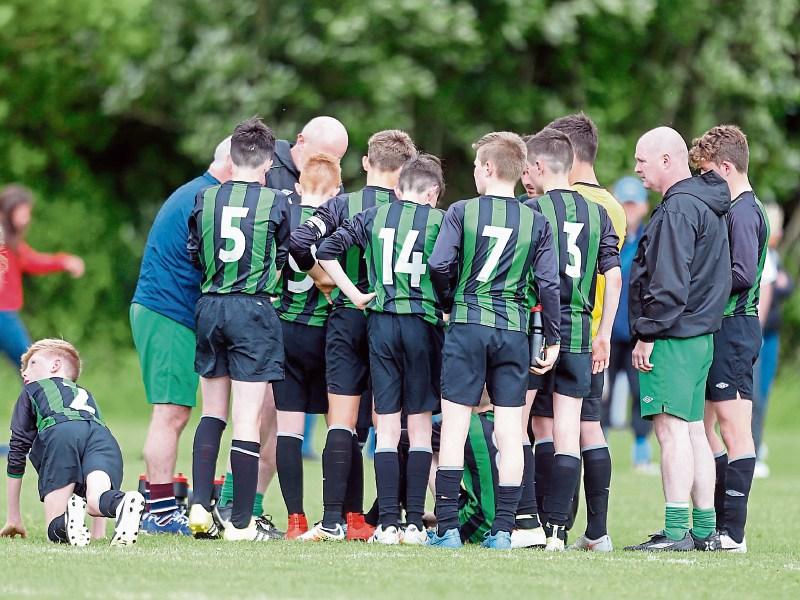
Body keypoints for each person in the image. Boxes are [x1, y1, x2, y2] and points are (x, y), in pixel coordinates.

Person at [427, 131, 561, 550]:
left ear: (487, 168)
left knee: (454, 425)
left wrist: (450, 301)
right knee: (509, 430)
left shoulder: (462, 211)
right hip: (512, 330)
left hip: (468, 324)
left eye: (474, 168)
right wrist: (552, 337)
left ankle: (447, 529)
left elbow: (439, 263)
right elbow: (549, 283)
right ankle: (504, 531)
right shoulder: (536, 220)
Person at [290, 130, 418, 542]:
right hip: (393, 320)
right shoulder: (409, 208)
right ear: (407, 170)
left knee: (340, 422)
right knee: (390, 422)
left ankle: (331, 521)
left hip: (346, 317)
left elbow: (299, 243)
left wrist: (329, 283)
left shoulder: (342, 204)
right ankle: (389, 519)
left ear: (365, 163)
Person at [317, 154, 446, 545]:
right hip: (422, 323)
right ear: (432, 193)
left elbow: (324, 251)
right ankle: (412, 524)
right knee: (420, 425)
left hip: (381, 321)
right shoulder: (439, 221)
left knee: (386, 425)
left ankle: (387, 522)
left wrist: (354, 293)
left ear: (399, 186)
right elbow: (447, 268)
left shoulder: (374, 215)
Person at [625, 126, 731, 552]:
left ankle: (674, 531)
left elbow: (668, 283)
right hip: (701, 335)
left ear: (667, 160)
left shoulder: (678, 209)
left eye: (642, 160)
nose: (636, 168)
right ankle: (703, 530)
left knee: (670, 432)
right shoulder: (707, 204)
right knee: (693, 432)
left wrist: (647, 333)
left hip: (672, 335)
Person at [186, 117, 291, 542]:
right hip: (253, 308)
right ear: (268, 162)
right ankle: (241, 523)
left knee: (212, 411)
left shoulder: (204, 197)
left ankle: (197, 504)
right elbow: (283, 255)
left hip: (210, 305)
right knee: (246, 419)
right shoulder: (277, 202)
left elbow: (195, 254)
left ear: (230, 158)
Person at [524, 128, 621, 551]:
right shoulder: (597, 213)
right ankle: (559, 533)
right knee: (568, 433)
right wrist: (604, 334)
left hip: (537, 331)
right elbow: (614, 277)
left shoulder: (530, 210)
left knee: (515, 428)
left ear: (541, 167)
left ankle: (524, 522)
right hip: (581, 333)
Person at [131, 137, 232, 536]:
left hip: (172, 312)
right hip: (168, 311)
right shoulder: (204, 197)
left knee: (177, 412)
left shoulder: (200, 191)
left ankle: (164, 502)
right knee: (171, 412)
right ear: (230, 164)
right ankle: (158, 509)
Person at [691, 125, 769, 553]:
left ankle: (733, 533)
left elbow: (740, 273)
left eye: (707, 174)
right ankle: (714, 523)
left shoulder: (742, 211)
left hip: (735, 329)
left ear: (726, 167)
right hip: (718, 329)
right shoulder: (736, 207)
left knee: (734, 429)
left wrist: (694, 284)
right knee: (703, 427)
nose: (705, 183)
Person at [1, 339, 144, 546]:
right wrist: (98, 533)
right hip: (103, 437)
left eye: (32, 364)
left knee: (54, 529)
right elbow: (90, 431)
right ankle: (122, 502)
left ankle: (68, 519)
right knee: (97, 500)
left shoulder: (32, 390)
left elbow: (17, 449)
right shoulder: (86, 394)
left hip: (61, 433)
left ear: (55, 365)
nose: (24, 372)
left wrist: (14, 518)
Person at [271, 153, 342, 539]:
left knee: (290, 430)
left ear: (298, 187)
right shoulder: (337, 219)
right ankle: (341, 516)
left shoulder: (283, 217)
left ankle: (295, 518)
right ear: (337, 191)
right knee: (339, 425)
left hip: (286, 331)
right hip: (327, 334)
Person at [0, 185, 84, 369]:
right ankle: (39, 398)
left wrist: (63, 261)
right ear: (9, 209)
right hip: (2, 313)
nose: (27, 217)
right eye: (23, 211)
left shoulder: (11, 241)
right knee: (32, 364)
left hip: (6, 312)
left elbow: (31, 261)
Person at [607, 176, 654, 470]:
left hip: (638, 332)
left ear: (644, 207)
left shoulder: (651, 239)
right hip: (607, 331)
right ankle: (598, 443)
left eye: (633, 204)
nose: (628, 210)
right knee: (600, 391)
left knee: (641, 391)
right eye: (624, 203)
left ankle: (641, 446)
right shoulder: (607, 238)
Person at [753, 204, 793, 477]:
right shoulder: (759, 252)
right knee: (752, 393)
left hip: (770, 335)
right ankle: (750, 448)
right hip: (756, 333)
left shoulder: (774, 257)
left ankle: (756, 441)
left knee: (761, 392)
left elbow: (787, 286)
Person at [268, 116, 348, 201]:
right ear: (301, 142)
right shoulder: (265, 162)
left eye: (334, 161)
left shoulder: (332, 182)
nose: (325, 166)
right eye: (320, 158)